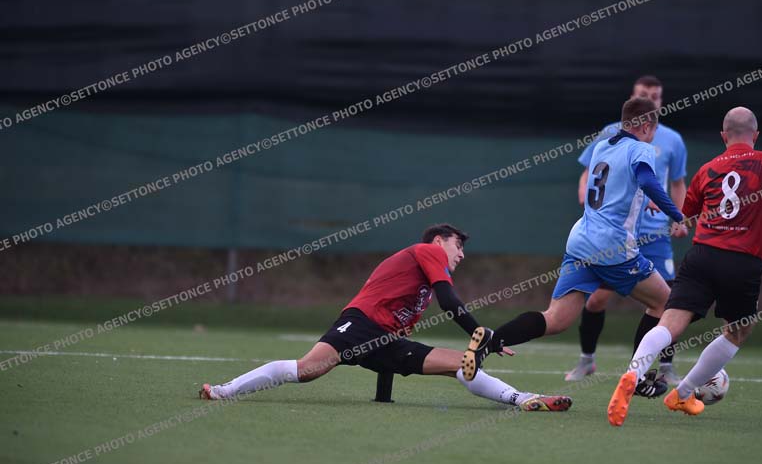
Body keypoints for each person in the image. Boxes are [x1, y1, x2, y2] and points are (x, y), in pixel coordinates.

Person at [607, 107, 762, 426]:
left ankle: (633, 373)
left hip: (701, 256)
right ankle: (683, 393)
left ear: (724, 136)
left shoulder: (707, 169)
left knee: (669, 323)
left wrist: (669, 215)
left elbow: (685, 217)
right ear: (756, 135)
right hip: (742, 261)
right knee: (738, 330)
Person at [200, 224, 572, 412]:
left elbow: (392, 331)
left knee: (462, 365)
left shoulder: (420, 281)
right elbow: (449, 300)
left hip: (382, 339)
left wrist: (383, 398)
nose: (461, 254)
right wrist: (479, 332)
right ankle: (223, 391)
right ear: (439, 241)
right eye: (458, 245)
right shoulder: (428, 252)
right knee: (306, 370)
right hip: (360, 323)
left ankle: (523, 399)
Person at [463, 98, 685, 401]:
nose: (653, 136)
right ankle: (639, 377)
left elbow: (617, 185)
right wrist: (676, 214)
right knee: (665, 303)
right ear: (647, 126)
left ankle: (490, 341)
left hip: (581, 240)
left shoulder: (603, 145)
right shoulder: (641, 148)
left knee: (556, 319)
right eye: (653, 130)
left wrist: (643, 200)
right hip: (612, 247)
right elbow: (646, 180)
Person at [567, 75, 687, 384]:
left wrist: (677, 217)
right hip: (615, 235)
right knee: (596, 300)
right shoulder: (612, 135)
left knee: (670, 302)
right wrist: (585, 194)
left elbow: (676, 183)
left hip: (654, 234)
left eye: (656, 96)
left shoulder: (672, 140)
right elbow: (589, 173)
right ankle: (587, 361)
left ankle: (664, 368)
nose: (651, 99)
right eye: (645, 94)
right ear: (633, 98)